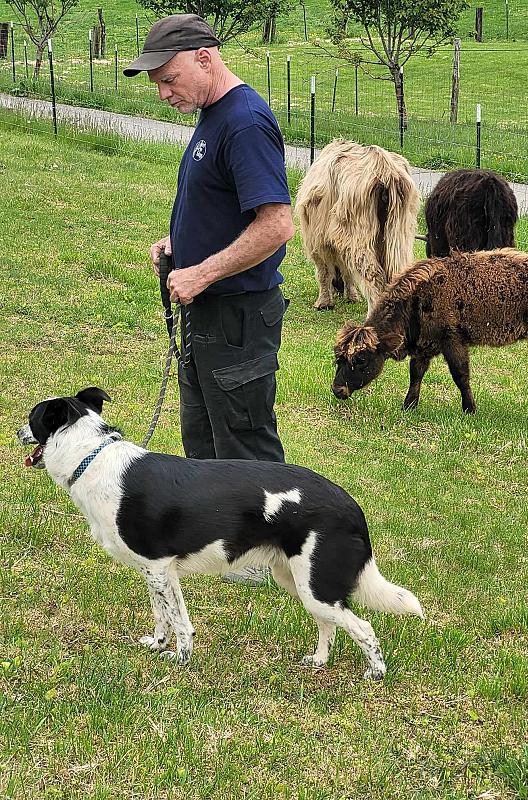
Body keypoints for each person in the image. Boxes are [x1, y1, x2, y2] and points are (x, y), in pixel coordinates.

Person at [124, 15, 294, 582]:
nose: (165, 94)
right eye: (158, 85)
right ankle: (221, 543)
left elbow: (276, 224)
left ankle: (272, 554)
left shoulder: (244, 122)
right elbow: (229, 207)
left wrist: (202, 272)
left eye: (170, 79)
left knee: (244, 436)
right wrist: (182, 243)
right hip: (206, 310)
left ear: (203, 56)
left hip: (237, 312)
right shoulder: (211, 117)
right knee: (204, 434)